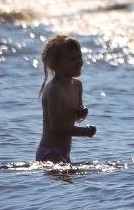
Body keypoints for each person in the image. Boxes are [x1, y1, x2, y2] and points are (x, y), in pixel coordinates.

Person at [36, 35, 96, 163]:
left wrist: (82, 113)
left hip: (64, 153)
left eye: (80, 57)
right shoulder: (53, 89)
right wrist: (86, 132)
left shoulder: (77, 85)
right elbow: (57, 128)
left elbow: (76, 118)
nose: (79, 62)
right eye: (73, 59)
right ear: (55, 64)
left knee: (73, 179)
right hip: (49, 152)